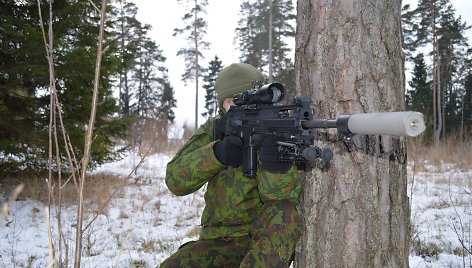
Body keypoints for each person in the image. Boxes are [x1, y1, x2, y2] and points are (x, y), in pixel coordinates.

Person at [160, 63, 303, 268]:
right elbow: (175, 180)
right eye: (231, 101)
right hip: (217, 241)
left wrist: (275, 165)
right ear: (222, 105)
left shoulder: (275, 128)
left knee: (286, 214)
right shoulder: (215, 130)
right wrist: (217, 153)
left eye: (246, 97)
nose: (239, 106)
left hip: (258, 240)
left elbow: (283, 200)